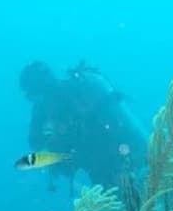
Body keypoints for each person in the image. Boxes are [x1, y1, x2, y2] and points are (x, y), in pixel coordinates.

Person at [19, 60, 148, 189]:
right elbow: (35, 142)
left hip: (122, 158)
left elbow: (122, 129)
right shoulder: (42, 110)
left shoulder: (79, 93)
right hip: (101, 170)